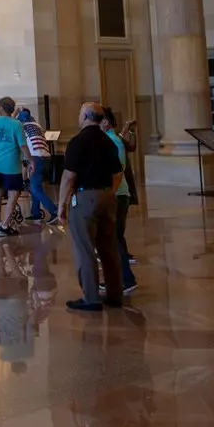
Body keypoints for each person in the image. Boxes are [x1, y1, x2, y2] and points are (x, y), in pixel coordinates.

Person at [59, 103, 127, 311]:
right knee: (108, 248)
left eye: (80, 113)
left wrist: (61, 205)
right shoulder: (108, 142)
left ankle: (91, 297)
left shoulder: (78, 142)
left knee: (85, 249)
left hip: (85, 197)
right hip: (107, 196)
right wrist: (107, 192)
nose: (78, 116)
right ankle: (115, 295)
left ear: (87, 117)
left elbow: (69, 176)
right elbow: (118, 173)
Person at [98, 109, 139, 291]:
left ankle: (125, 279)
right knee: (115, 238)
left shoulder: (111, 141)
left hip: (116, 195)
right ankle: (118, 278)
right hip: (117, 194)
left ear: (105, 123)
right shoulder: (112, 140)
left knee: (112, 239)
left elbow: (116, 171)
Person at [0, 98, 27, 239]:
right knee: (14, 194)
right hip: (11, 165)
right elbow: (23, 145)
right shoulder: (17, 124)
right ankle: (5, 226)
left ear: (1, 108)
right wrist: (31, 160)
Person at [18, 108, 60, 226]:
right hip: (46, 158)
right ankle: (35, 212)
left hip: (36, 158)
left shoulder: (22, 127)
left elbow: (23, 145)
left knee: (35, 188)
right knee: (36, 186)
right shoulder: (37, 126)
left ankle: (54, 211)